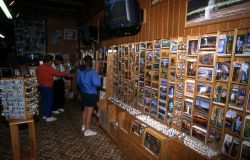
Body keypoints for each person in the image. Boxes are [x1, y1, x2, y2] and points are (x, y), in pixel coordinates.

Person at [36, 55, 70, 122]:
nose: (52, 62)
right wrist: (66, 74)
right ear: (49, 61)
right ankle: (48, 117)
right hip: (48, 87)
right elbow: (58, 73)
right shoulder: (48, 68)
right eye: (52, 61)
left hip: (41, 86)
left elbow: (37, 75)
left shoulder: (39, 67)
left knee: (44, 101)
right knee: (49, 102)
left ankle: (44, 115)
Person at [77, 55, 101, 136]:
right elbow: (97, 84)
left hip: (83, 92)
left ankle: (83, 126)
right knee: (89, 112)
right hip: (90, 93)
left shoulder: (80, 71)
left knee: (85, 110)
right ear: (92, 62)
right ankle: (87, 130)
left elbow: (78, 82)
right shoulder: (92, 72)